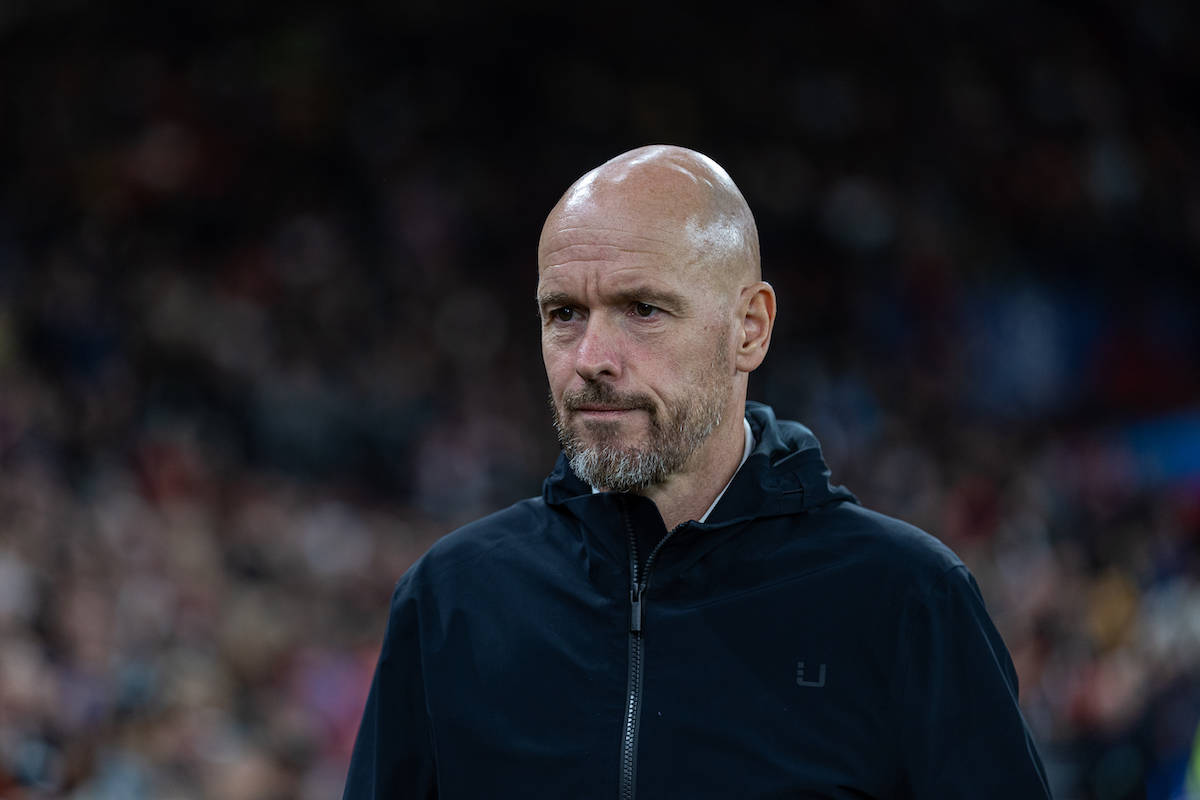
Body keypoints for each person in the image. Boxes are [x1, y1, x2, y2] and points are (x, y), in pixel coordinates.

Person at [342, 145, 1053, 798]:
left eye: (642, 310)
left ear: (750, 328)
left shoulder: (908, 600)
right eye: (564, 313)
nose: (591, 357)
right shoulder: (452, 600)